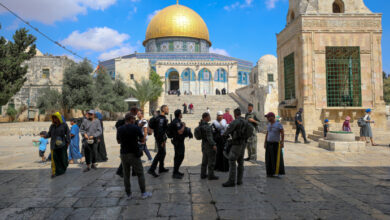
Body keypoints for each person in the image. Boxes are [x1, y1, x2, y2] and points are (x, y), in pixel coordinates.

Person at [117, 113, 152, 199]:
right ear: (131, 119)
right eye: (134, 119)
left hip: (124, 153)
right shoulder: (135, 128)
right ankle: (143, 193)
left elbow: (118, 141)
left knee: (126, 175)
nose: (134, 120)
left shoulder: (120, 129)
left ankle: (128, 194)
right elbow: (142, 139)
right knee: (140, 173)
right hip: (134, 153)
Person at [222, 108, 248, 187]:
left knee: (232, 161)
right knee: (240, 162)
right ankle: (239, 180)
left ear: (235, 114)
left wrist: (224, 135)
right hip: (243, 144)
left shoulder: (235, 122)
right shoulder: (246, 121)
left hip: (236, 144)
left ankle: (231, 181)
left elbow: (227, 131)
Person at [45, 112, 70, 178]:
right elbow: (49, 134)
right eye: (53, 118)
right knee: (54, 159)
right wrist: (45, 136)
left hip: (62, 145)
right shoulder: (52, 126)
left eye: (55, 118)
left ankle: (62, 169)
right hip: (53, 145)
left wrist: (68, 142)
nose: (54, 119)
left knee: (63, 158)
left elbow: (68, 134)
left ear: (59, 118)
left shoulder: (64, 125)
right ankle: (54, 172)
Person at [148, 105, 169, 177]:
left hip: (160, 138)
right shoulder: (161, 119)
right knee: (160, 153)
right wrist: (162, 141)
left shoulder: (160, 118)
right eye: (167, 109)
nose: (168, 110)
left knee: (163, 153)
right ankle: (151, 169)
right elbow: (160, 131)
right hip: (160, 138)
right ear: (163, 110)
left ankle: (161, 168)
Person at [264, 112, 285, 177]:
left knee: (277, 159)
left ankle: (278, 172)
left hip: (276, 144)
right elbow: (267, 133)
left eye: (268, 117)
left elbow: (282, 133)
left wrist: (282, 142)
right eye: (267, 117)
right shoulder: (269, 125)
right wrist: (265, 142)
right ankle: (270, 172)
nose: (267, 118)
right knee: (269, 159)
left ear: (272, 117)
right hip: (269, 143)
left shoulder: (278, 124)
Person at [171, 109, 190, 179]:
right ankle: (175, 172)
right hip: (178, 141)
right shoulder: (177, 122)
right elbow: (180, 132)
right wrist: (184, 126)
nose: (182, 114)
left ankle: (176, 171)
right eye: (181, 113)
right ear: (179, 114)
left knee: (177, 156)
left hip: (177, 141)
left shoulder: (176, 121)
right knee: (180, 156)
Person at [199, 112, 219, 180]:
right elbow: (209, 137)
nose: (210, 117)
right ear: (205, 118)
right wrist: (213, 145)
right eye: (208, 116)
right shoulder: (207, 126)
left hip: (204, 145)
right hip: (209, 146)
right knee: (211, 161)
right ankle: (211, 175)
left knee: (204, 161)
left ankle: (203, 174)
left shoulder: (201, 125)